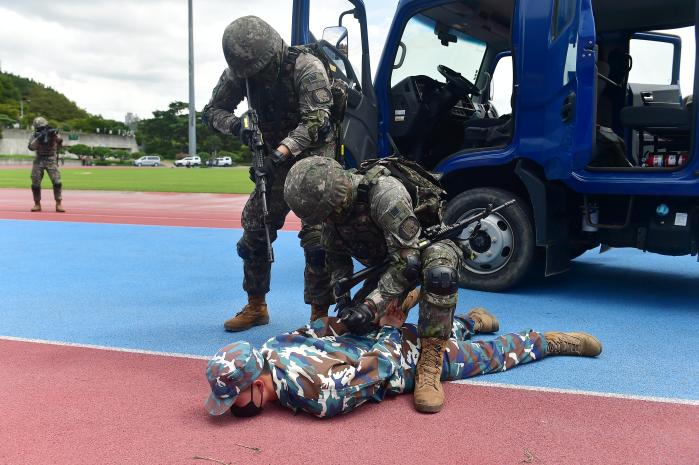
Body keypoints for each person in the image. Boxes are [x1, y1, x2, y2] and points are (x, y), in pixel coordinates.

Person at [282, 156, 467, 413]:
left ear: (339, 197)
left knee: (439, 275)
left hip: (424, 250)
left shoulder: (385, 194)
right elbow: (336, 260)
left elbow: (407, 262)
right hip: (390, 263)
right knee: (361, 327)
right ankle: (430, 304)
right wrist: (346, 303)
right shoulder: (331, 215)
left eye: (327, 214)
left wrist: (370, 305)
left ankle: (430, 362)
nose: (326, 220)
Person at [204, 306, 602, 419]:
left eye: (232, 399)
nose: (229, 408)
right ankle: (468, 321)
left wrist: (410, 353)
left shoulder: (314, 396)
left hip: (405, 358)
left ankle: (546, 342)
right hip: (382, 337)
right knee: (434, 332)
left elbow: (376, 374)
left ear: (256, 385)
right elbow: (322, 327)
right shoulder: (270, 347)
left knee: (487, 358)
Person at [202, 15, 340, 331]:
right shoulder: (240, 74)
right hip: (273, 155)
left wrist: (282, 152)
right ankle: (256, 306)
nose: (255, 78)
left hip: (313, 155)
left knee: (317, 238)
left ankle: (320, 316)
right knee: (254, 229)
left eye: (260, 71)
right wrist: (238, 128)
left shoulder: (306, 67)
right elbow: (213, 111)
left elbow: (317, 120)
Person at [28, 116, 65, 213]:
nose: (41, 129)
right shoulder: (35, 135)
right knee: (35, 183)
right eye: (39, 128)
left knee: (57, 182)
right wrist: (39, 138)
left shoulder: (53, 133)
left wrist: (53, 135)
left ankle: (58, 203)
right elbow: (31, 147)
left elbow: (60, 141)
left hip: (51, 159)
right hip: (39, 159)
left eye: (43, 127)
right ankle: (37, 204)